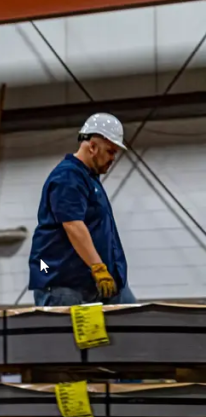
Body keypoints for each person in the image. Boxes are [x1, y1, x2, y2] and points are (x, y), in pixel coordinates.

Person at [28, 113, 137, 307]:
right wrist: (98, 268)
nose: (113, 158)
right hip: (65, 287)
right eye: (110, 151)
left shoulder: (88, 179)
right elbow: (73, 225)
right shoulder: (68, 177)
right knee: (69, 338)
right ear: (93, 147)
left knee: (133, 326)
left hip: (96, 285)